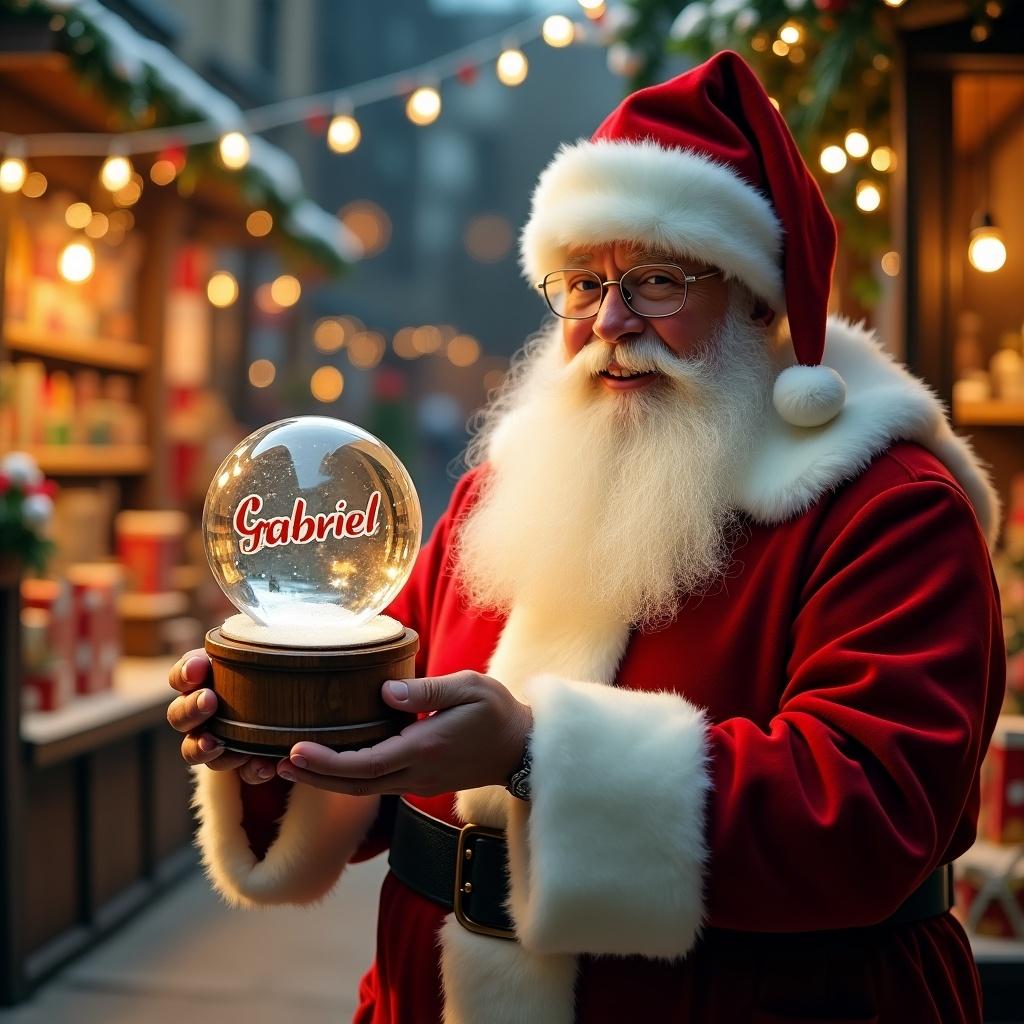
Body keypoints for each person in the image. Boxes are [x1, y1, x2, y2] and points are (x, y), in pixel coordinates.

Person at [166, 51, 1005, 1024]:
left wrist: (534, 753)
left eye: (655, 278)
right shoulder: (504, 492)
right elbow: (385, 719)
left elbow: (865, 810)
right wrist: (267, 733)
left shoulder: (884, 506)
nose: (610, 319)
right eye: (579, 282)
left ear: (756, 302)